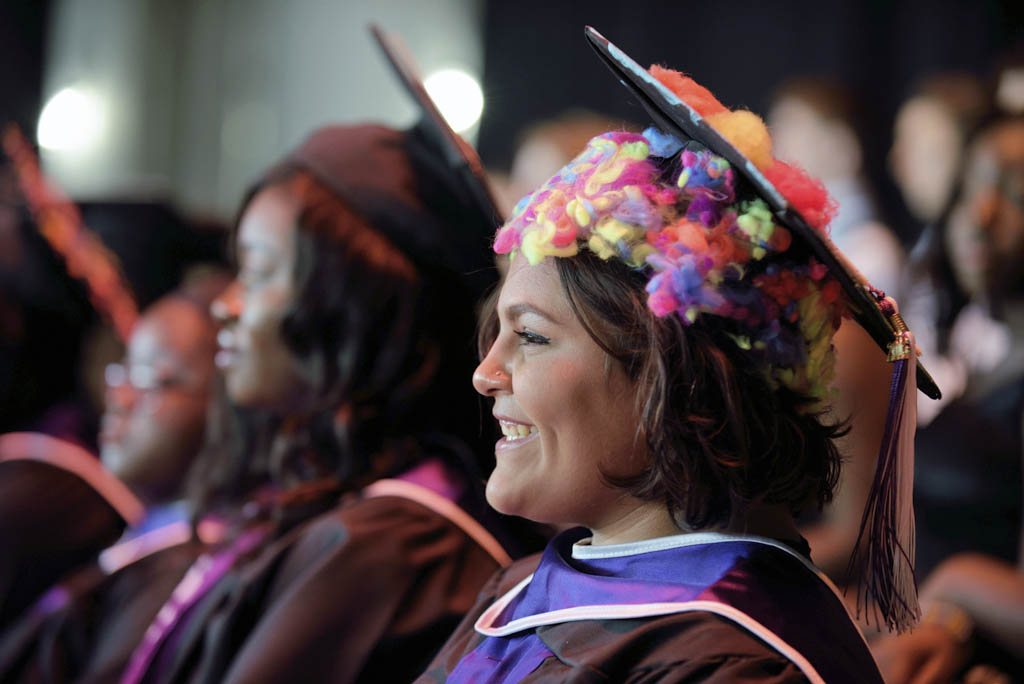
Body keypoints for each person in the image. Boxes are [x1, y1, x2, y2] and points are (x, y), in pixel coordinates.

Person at [416, 32, 934, 683]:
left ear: (676, 380)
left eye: (533, 336)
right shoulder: (521, 589)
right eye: (499, 332)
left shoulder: (736, 661)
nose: (485, 373)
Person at [114, 121, 534, 684]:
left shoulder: (395, 543)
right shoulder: (311, 502)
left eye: (259, 272)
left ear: (354, 309)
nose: (226, 305)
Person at [872, 109, 1024, 683]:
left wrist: (947, 592)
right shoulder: (990, 352)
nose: (980, 217)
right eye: (971, 189)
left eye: (1015, 195)